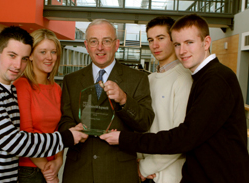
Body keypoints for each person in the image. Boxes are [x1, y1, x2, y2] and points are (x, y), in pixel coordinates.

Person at [100, 14, 249, 183]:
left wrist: (125, 141)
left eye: (189, 43)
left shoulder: (215, 79)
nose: (182, 51)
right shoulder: (203, 76)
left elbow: (184, 137)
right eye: (178, 44)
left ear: (206, 42)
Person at [0, 26, 87, 183]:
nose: (18, 65)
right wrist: (67, 137)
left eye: (24, 58)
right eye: (12, 56)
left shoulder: (8, 90)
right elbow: (13, 141)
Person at [58, 19, 155, 183]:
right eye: (94, 41)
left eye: (106, 41)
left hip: (119, 172)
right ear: (86, 45)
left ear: (116, 44)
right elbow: (64, 120)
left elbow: (144, 123)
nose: (100, 47)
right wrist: (74, 130)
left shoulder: (138, 79)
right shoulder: (71, 80)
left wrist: (124, 99)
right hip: (79, 172)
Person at [138, 17, 192, 183]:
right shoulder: (149, 79)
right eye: (151, 40)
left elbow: (181, 137)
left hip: (169, 176)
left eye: (161, 38)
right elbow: (142, 124)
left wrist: (145, 167)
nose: (155, 45)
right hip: (146, 171)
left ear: (173, 40)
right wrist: (139, 159)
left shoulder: (184, 79)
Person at [14, 29, 63, 183]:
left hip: (51, 166)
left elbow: (59, 130)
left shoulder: (56, 88)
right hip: (28, 169)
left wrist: (58, 160)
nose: (49, 57)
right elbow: (25, 133)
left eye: (53, 52)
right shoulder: (22, 85)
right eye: (43, 52)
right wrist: (47, 170)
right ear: (31, 56)